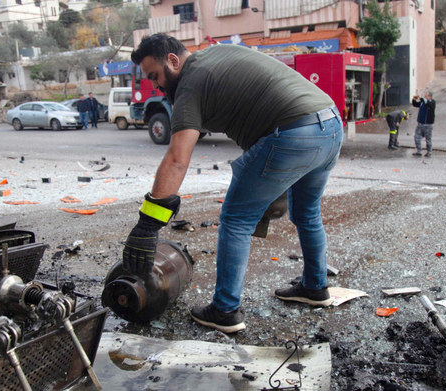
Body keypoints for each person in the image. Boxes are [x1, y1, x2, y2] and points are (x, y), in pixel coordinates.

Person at [110, 33, 344, 334]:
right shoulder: (217, 55)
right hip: (330, 124)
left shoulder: (190, 84)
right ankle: (315, 287)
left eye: (155, 76)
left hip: (292, 131)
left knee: (236, 219)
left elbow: (177, 159)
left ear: (172, 60)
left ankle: (224, 310)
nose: (156, 86)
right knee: (307, 214)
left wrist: (147, 224)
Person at [411, 90, 436, 157]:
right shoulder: (423, 102)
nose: (425, 96)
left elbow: (428, 103)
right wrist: (414, 100)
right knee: (417, 137)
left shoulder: (432, 102)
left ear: (430, 97)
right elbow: (415, 104)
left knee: (428, 139)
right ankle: (419, 152)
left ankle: (429, 152)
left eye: (426, 95)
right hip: (420, 124)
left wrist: (421, 98)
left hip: (428, 125)